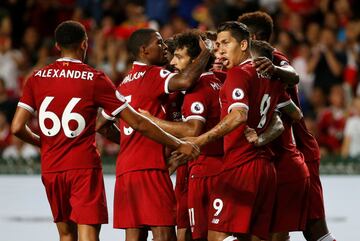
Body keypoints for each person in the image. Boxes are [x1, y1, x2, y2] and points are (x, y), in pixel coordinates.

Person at [11, 20, 199, 241]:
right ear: (85, 44)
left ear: (57, 45)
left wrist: (45, 144)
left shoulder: (36, 77)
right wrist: (178, 144)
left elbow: (16, 127)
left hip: (51, 167)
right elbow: (136, 122)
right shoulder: (94, 78)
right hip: (83, 166)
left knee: (65, 235)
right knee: (89, 234)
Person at [182, 21, 296, 241]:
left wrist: (200, 140)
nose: (220, 49)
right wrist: (262, 138)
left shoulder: (238, 74)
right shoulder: (270, 74)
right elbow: (283, 117)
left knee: (216, 237)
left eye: (226, 43)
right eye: (216, 46)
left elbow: (239, 115)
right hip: (266, 170)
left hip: (240, 166)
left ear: (244, 44)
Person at [238, 11, 336, 241]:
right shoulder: (248, 68)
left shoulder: (272, 59)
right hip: (275, 156)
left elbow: (293, 75)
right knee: (271, 229)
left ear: (252, 38)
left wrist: (275, 69)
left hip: (298, 151)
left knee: (314, 229)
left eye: (238, 37)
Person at [112, 28, 212, 241]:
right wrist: (206, 52)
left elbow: (101, 124)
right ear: (143, 51)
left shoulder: (123, 84)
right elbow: (185, 81)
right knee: (164, 234)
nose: (164, 47)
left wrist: (129, 139)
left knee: (135, 233)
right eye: (158, 43)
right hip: (150, 166)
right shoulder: (154, 74)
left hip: (125, 168)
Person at [140, 30, 223, 241]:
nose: (172, 62)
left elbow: (192, 129)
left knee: (200, 234)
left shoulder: (197, 89)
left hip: (203, 168)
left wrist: (151, 121)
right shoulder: (219, 80)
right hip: (206, 165)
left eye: (179, 57)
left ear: (196, 60)